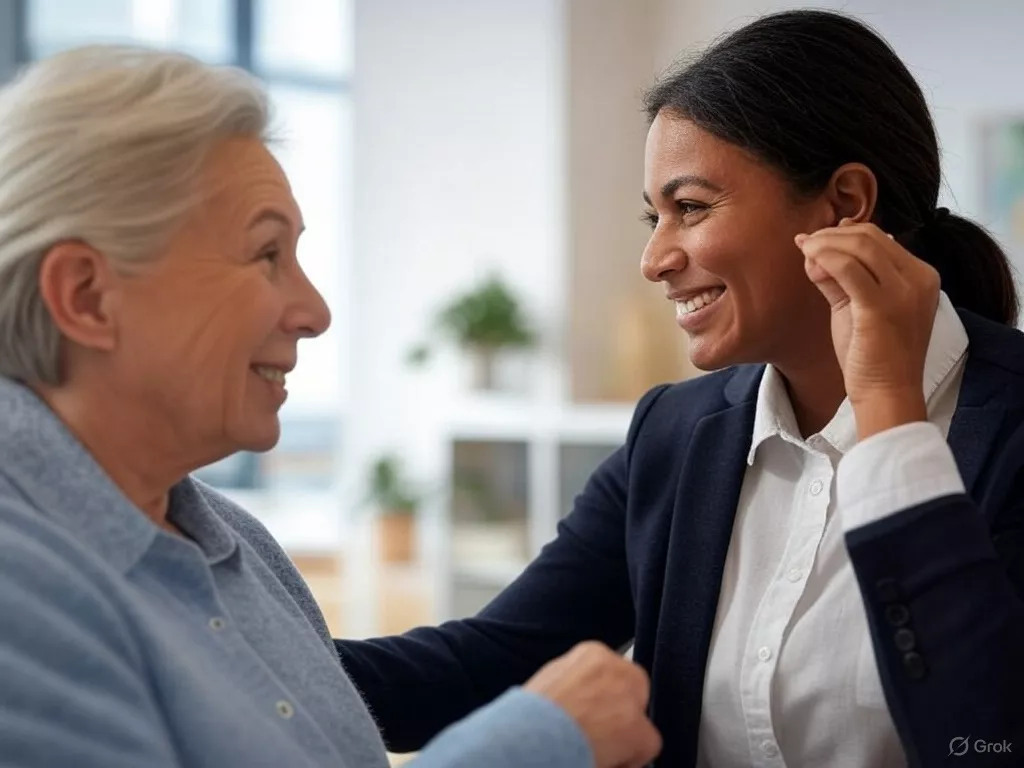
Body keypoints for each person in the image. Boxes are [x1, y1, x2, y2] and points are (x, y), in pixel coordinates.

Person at [335, 9, 1024, 767]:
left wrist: (890, 414)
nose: (655, 258)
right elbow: (487, 664)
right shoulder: (677, 432)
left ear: (846, 204)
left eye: (690, 208)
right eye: (653, 216)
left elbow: (986, 736)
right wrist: (236, 657)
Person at [0, 45, 663, 768]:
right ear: (86, 297)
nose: (313, 311)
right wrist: (536, 743)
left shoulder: (237, 544)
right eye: (265, 255)